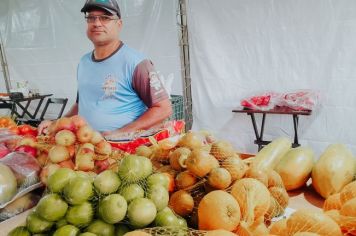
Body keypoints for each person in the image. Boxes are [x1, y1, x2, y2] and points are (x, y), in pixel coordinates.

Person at [38, 0, 172, 137]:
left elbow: (163, 109)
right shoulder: (84, 62)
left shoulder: (135, 63)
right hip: (86, 149)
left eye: (105, 18)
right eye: (91, 18)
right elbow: (81, 105)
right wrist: (57, 123)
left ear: (119, 24)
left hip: (122, 150)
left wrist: (121, 133)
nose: (96, 23)